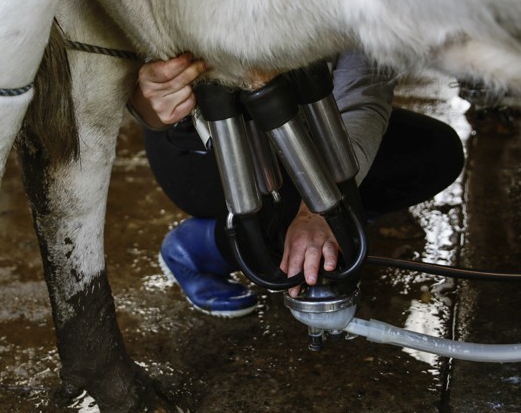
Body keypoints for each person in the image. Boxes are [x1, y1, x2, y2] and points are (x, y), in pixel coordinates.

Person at [130, 51, 464, 317]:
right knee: (278, 219)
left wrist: (320, 210)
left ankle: (328, 229)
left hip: (306, 115)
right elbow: (115, 82)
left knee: (435, 154)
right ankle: (196, 249)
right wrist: (148, 102)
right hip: (211, 139)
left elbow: (364, 92)